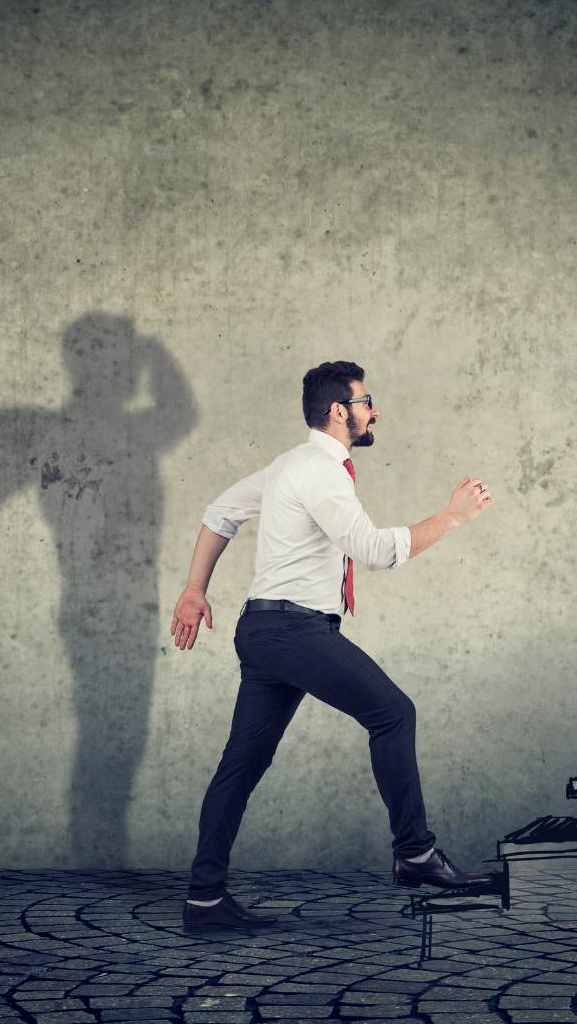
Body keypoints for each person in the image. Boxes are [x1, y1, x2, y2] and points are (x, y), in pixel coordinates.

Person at [170, 360, 495, 932]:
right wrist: (453, 517)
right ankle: (415, 853)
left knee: (241, 764)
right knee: (393, 713)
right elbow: (373, 550)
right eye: (367, 402)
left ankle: (204, 898)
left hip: (265, 630)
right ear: (339, 411)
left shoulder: (287, 466)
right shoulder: (320, 471)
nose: (375, 411)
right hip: (293, 631)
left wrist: (195, 589)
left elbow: (220, 513)